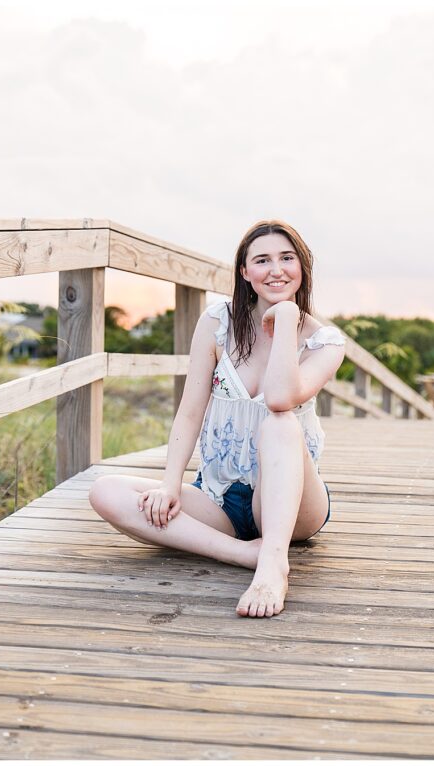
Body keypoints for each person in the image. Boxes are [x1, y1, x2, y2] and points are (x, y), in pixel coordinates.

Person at [88, 220, 345, 618]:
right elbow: (190, 410)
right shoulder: (217, 324)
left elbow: (279, 398)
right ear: (245, 272)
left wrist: (288, 319)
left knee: (279, 422)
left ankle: (273, 566)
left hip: (290, 504)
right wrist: (169, 485)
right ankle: (243, 554)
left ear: (302, 267)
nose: (276, 270)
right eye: (262, 260)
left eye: (286, 258)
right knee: (106, 491)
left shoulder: (325, 342)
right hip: (220, 496)